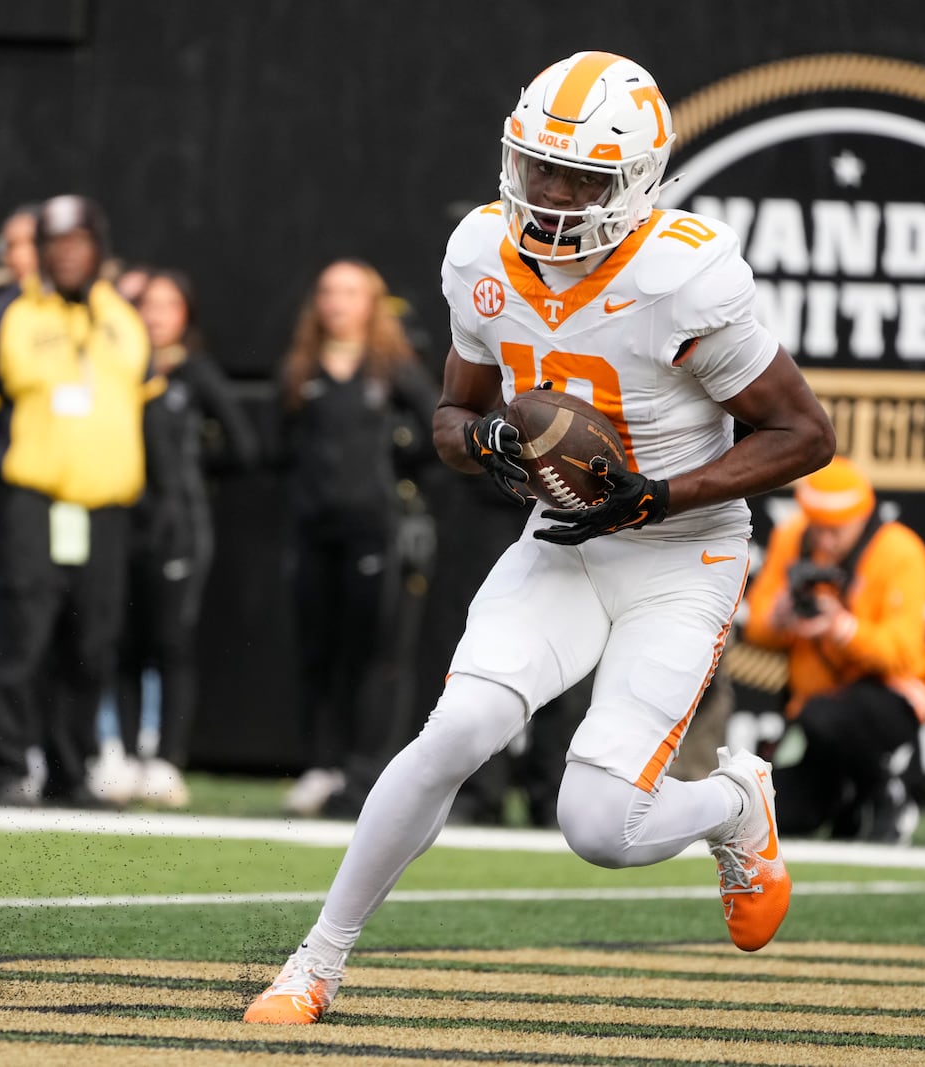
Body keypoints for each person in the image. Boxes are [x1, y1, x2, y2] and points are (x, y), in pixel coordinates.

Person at [243, 51, 836, 1025]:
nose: (553, 195)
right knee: (456, 732)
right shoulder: (481, 254)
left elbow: (805, 434)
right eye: (540, 167)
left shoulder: (681, 274)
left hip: (681, 552)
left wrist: (660, 492)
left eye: (583, 177)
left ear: (636, 179)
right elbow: (450, 415)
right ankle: (314, 961)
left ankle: (733, 801)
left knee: (597, 825)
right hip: (563, 536)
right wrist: (483, 444)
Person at [0, 195, 184, 807]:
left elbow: (151, 417)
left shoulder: (125, 321)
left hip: (105, 508)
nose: (69, 254)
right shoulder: (7, 317)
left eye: (80, 242)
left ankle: (69, 769)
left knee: (92, 641)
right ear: (43, 254)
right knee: (21, 635)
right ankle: (3, 768)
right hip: (30, 502)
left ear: (98, 248)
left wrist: (167, 499)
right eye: (56, 244)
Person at [273, 258, 438, 817]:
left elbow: (441, 430)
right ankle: (323, 764)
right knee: (319, 649)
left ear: (372, 303)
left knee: (376, 654)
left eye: (350, 291)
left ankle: (370, 770)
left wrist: (400, 468)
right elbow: (282, 446)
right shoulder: (299, 368)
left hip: (376, 532)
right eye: (328, 291)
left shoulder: (393, 367)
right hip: (313, 533)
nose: (337, 302)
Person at [102, 268, 259, 808]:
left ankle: (166, 760)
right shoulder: (117, 370)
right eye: (147, 305)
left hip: (180, 531)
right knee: (120, 641)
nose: (156, 315)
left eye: (167, 305)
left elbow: (243, 448)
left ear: (185, 315)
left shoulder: (195, 374)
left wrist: (189, 472)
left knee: (169, 643)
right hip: (121, 524)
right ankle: (119, 755)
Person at [743, 456, 925, 842]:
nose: (826, 540)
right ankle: (848, 800)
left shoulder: (900, 551)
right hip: (811, 705)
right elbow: (759, 630)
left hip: (887, 700)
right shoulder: (793, 539)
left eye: (837, 531)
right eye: (819, 529)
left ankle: (885, 792)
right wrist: (780, 618)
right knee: (784, 816)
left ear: (862, 517)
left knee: (826, 716)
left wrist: (841, 627)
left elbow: (904, 655)